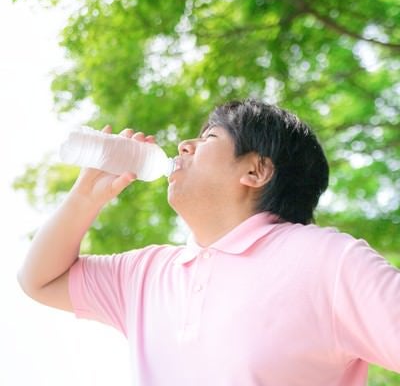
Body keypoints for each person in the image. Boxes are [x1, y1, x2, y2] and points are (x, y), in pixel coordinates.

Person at [18, 99, 400, 385]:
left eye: (209, 137)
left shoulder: (327, 262)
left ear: (255, 170)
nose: (184, 145)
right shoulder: (146, 274)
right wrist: (85, 197)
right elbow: (40, 280)